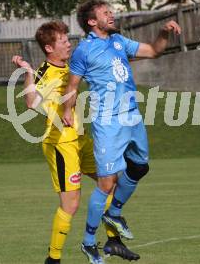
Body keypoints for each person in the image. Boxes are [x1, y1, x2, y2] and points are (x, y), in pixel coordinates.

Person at [62, 0, 181, 263]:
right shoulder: (83, 51)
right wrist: (67, 110)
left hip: (132, 116)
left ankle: (114, 213)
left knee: (140, 166)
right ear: (92, 22)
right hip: (107, 121)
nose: (112, 15)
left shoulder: (119, 41)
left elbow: (152, 51)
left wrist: (164, 32)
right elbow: (72, 85)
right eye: (106, 13)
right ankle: (89, 242)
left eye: (111, 11)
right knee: (107, 182)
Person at [11, 20, 139, 264]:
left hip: (80, 140)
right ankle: (53, 258)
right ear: (49, 48)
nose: (69, 44)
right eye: (63, 41)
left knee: (110, 182)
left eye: (68, 39)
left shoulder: (71, 66)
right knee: (71, 204)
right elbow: (31, 102)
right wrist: (28, 72)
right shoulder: (45, 72)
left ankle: (113, 242)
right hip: (61, 143)